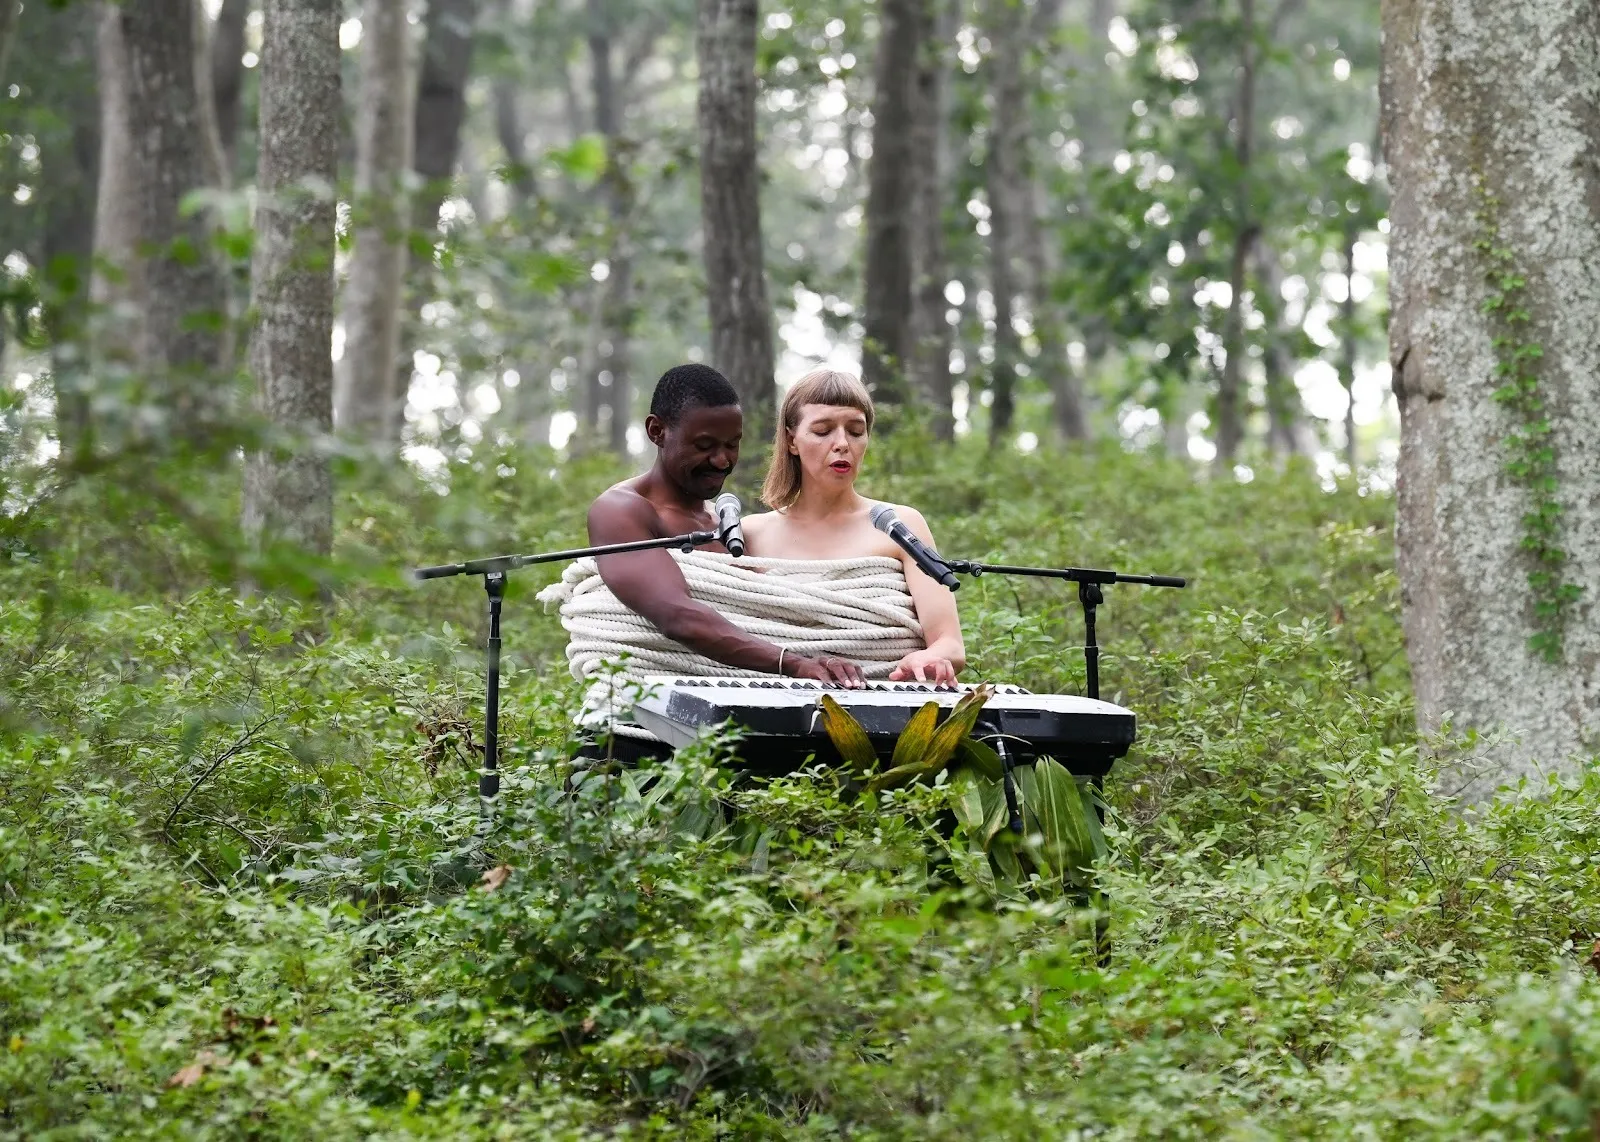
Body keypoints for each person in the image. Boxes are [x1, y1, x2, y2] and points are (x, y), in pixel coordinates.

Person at [586, 363, 867, 689]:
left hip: (725, 726)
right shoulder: (621, 510)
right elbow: (677, 616)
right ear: (657, 431)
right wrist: (793, 664)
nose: (722, 460)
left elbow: (763, 617)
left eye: (732, 444)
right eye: (705, 446)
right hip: (633, 728)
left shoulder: (729, 528)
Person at [742, 369, 966, 685]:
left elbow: (950, 643)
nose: (842, 443)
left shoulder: (900, 525)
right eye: (822, 431)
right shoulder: (750, 534)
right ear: (792, 440)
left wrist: (929, 658)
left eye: (856, 431)